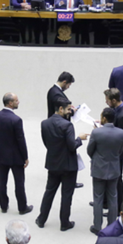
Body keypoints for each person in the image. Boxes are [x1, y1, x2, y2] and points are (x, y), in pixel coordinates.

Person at [37, 98, 88, 231]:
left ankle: (41, 219)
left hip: (53, 163)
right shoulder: (67, 125)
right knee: (66, 195)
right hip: (68, 166)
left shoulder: (44, 123)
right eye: (68, 109)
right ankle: (64, 223)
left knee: (49, 191)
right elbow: (72, 146)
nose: (70, 112)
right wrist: (79, 139)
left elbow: (46, 143)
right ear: (60, 109)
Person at [0, 93, 32, 215]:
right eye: (16, 100)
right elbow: (21, 140)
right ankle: (22, 207)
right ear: (10, 103)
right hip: (15, 156)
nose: (18, 102)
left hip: (1, 154)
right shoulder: (16, 120)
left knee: (2, 181)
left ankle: (3, 205)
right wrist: (25, 157)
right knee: (19, 183)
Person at [87, 107, 123, 235]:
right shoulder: (121, 133)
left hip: (99, 169)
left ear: (103, 118)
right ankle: (112, 226)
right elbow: (120, 150)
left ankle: (97, 226)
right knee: (113, 198)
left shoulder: (96, 133)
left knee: (98, 198)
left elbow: (89, 150)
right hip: (114, 169)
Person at [104, 88, 123, 209]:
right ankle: (105, 202)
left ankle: (118, 206)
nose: (106, 103)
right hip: (114, 152)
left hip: (117, 153)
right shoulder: (117, 110)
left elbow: (120, 138)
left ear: (114, 100)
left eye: (107, 100)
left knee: (117, 179)